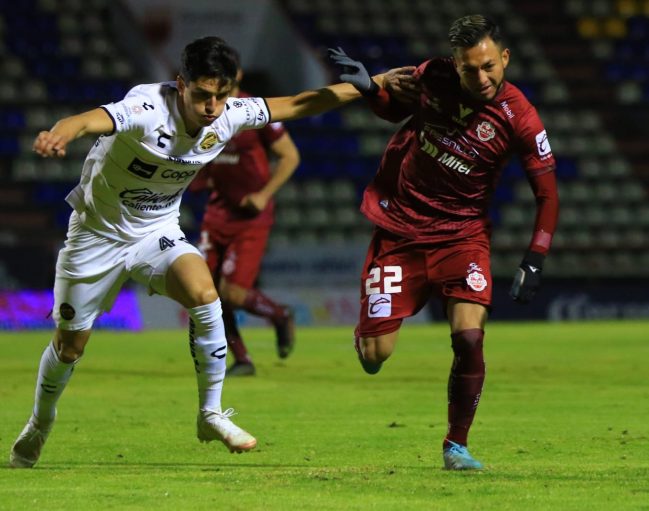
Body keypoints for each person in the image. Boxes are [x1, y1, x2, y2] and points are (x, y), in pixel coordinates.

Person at [9, 36, 408, 468]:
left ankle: (210, 413)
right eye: (202, 95)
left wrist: (374, 83)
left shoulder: (230, 112)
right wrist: (57, 133)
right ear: (180, 85)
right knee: (70, 348)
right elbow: (86, 120)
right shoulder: (146, 108)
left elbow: (298, 103)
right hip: (95, 236)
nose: (212, 106)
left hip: (156, 232)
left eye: (221, 95)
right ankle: (39, 422)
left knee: (206, 296)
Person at [329, 14, 560, 470]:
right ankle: (366, 334)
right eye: (470, 69)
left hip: (463, 236)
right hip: (400, 231)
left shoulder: (521, 118)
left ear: (505, 58)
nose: (482, 77)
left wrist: (535, 258)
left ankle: (456, 444)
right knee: (376, 357)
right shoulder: (432, 76)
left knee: (470, 338)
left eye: (490, 65)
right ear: (455, 64)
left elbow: (548, 195)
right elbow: (393, 109)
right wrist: (370, 90)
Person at [189, 65, 300, 377]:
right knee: (203, 292)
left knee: (233, 294)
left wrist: (264, 195)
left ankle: (278, 315)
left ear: (237, 75)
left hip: (251, 217)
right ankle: (242, 359)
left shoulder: (255, 111)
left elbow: (290, 156)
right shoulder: (204, 112)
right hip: (216, 214)